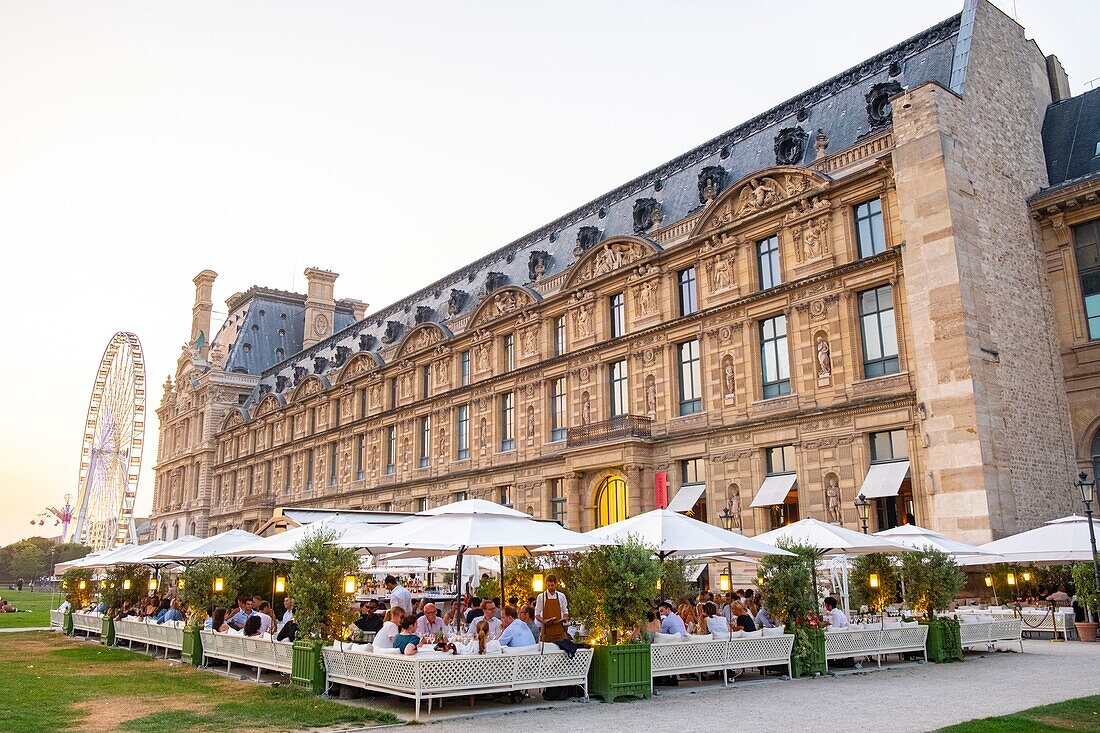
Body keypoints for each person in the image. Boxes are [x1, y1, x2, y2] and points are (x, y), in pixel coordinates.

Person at [534, 575, 569, 644]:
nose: (550, 587)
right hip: (546, 631)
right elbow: (537, 614)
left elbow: (565, 612)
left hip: (559, 630)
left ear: (556, 584)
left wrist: (564, 618)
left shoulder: (561, 596)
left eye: (552, 585)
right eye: (548, 585)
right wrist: (544, 621)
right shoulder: (541, 597)